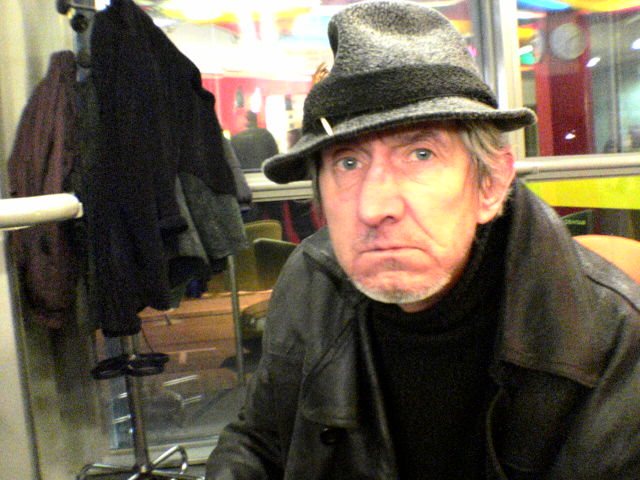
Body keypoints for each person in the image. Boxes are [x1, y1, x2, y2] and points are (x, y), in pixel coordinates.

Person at [206, 1, 640, 479]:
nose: (374, 206)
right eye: (348, 162)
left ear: (490, 184)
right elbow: (260, 438)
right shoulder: (311, 281)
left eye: (420, 154)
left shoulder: (610, 335)